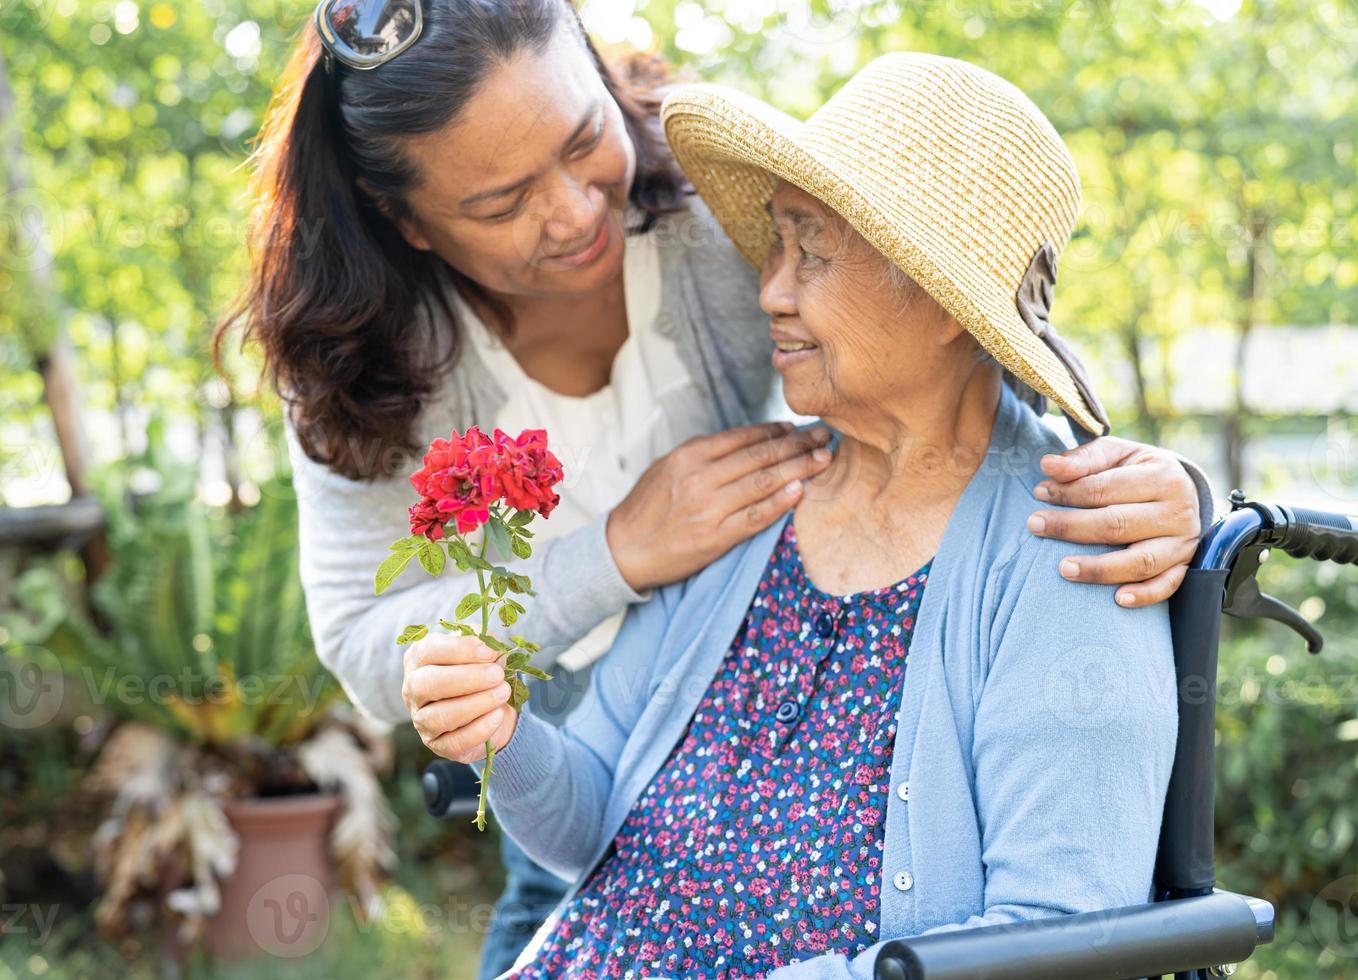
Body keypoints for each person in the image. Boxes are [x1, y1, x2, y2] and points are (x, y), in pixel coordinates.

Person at [219, 3, 1206, 975]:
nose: (768, 285)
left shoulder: (1061, 551)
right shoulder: (757, 502)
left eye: (806, 251)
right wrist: (514, 716)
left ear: (945, 292)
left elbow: (1058, 940)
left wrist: (1189, 499)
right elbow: (587, 806)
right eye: (500, 201)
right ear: (410, 222)